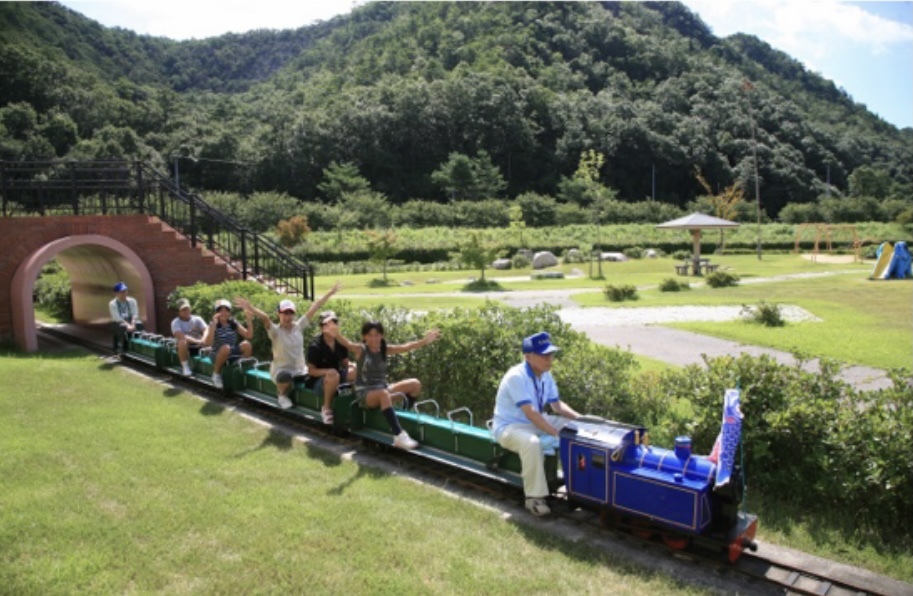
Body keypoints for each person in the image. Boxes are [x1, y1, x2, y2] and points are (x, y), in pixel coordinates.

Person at [492, 331, 581, 517]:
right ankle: (534, 498)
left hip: (535, 421)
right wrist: (556, 432)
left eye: (551, 354)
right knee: (531, 443)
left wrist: (581, 420)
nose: (550, 359)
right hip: (510, 427)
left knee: (575, 428)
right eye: (544, 355)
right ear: (528, 357)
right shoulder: (516, 376)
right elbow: (531, 413)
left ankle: (578, 486)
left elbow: (557, 406)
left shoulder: (545, 375)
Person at [335, 320, 440, 450]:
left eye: (377, 335)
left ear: (382, 335)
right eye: (370, 335)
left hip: (383, 390)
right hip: (365, 395)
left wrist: (424, 341)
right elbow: (347, 343)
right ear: (364, 337)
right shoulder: (361, 350)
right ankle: (398, 435)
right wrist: (336, 333)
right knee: (383, 394)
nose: (374, 338)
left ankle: (401, 417)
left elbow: (406, 347)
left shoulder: (385, 349)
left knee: (415, 384)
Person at [236, 282, 340, 410]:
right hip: (282, 371)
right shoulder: (275, 331)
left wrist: (330, 293)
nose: (288, 316)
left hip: (300, 371)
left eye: (291, 313)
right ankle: (282, 395)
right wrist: (250, 308)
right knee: (285, 377)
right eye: (285, 313)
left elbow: (315, 307)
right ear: (278, 314)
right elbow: (265, 318)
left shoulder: (299, 327)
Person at [306, 310, 356, 425]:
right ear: (321, 327)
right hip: (319, 383)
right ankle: (326, 408)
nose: (331, 326)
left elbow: (345, 362)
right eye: (327, 324)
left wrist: (353, 365)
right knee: (333, 374)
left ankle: (354, 401)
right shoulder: (315, 346)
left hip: (337, 377)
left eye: (334, 323)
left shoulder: (340, 342)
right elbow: (311, 371)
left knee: (355, 371)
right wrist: (327, 372)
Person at [202, 298, 253, 389]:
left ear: (229, 312)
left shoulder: (233, 323)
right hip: (216, 354)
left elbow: (249, 335)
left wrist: (249, 320)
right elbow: (208, 343)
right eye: (220, 310)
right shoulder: (213, 324)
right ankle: (216, 374)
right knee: (226, 347)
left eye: (226, 310)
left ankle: (241, 370)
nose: (223, 313)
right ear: (216, 313)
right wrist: (213, 327)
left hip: (230, 351)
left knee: (247, 345)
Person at [170, 298, 207, 377]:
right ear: (178, 312)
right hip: (185, 347)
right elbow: (181, 336)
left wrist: (204, 338)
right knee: (182, 342)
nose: (186, 311)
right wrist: (198, 341)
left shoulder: (197, 319)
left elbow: (206, 329)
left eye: (187, 309)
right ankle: (185, 367)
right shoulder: (175, 322)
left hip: (199, 344)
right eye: (183, 310)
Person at [109, 281, 143, 353]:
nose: (124, 293)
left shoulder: (132, 301)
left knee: (139, 324)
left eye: (125, 291)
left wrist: (133, 323)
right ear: (116, 293)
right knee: (122, 327)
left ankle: (138, 345)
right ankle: (122, 347)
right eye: (122, 292)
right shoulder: (112, 304)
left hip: (130, 320)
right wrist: (128, 325)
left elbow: (135, 313)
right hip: (119, 322)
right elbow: (117, 317)